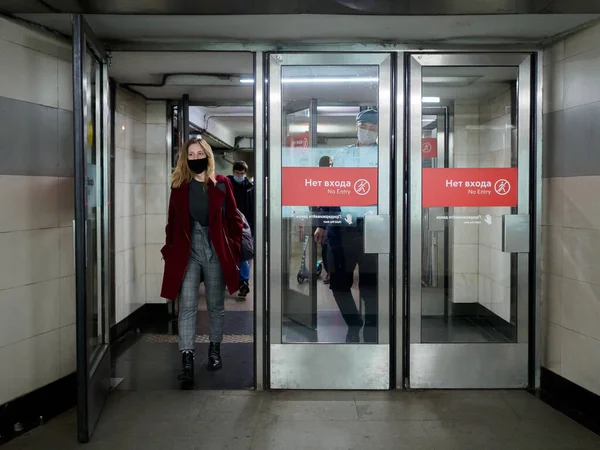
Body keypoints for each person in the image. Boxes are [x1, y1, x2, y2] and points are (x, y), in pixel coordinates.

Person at [160, 137, 243, 383]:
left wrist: (234, 247)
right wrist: (171, 250)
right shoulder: (179, 186)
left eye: (199, 153)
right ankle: (187, 358)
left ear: (207, 155)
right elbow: (172, 223)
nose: (195, 158)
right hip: (189, 251)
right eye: (191, 155)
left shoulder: (221, 184)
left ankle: (214, 350)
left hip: (216, 248)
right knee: (187, 306)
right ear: (186, 159)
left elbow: (233, 218)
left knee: (216, 305)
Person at [313, 109, 379, 343]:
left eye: (373, 128)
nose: (368, 132)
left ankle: (372, 331)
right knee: (339, 284)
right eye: (364, 127)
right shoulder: (341, 155)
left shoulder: (385, 157)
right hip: (341, 230)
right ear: (357, 127)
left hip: (374, 228)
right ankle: (354, 323)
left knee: (372, 287)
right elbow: (328, 191)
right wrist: (322, 223)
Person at [227, 161, 255, 298]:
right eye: (237, 173)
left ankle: (244, 282)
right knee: (229, 255)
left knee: (244, 254)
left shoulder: (250, 188)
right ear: (233, 172)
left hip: (244, 227)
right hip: (228, 225)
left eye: (242, 173)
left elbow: (253, 209)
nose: (240, 175)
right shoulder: (226, 184)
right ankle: (232, 280)